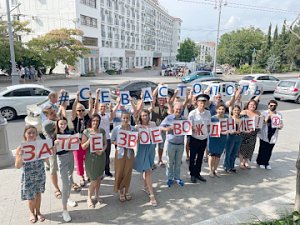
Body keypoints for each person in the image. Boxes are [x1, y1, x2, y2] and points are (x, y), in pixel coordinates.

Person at [15, 125, 47, 223]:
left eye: (33, 132)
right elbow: (17, 165)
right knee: (31, 197)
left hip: (39, 173)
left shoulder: (40, 145)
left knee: (38, 194)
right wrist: (20, 155)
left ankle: (38, 212)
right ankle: (31, 213)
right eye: (29, 133)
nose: (31, 135)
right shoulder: (20, 148)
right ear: (25, 134)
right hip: (28, 175)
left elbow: (46, 160)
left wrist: (49, 152)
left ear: (36, 134)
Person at [54, 117, 78, 222]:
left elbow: (74, 145)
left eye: (64, 123)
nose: (63, 125)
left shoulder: (69, 132)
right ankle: (64, 210)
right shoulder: (54, 136)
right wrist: (54, 145)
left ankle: (67, 198)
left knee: (69, 180)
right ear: (57, 125)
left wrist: (77, 140)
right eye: (61, 124)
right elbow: (51, 151)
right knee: (65, 183)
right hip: (62, 159)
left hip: (70, 156)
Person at [81, 114, 107, 208]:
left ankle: (97, 195)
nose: (95, 122)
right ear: (90, 121)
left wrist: (102, 150)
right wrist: (90, 139)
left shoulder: (102, 131)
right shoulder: (86, 132)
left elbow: (105, 144)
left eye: (97, 120)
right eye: (93, 120)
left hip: (100, 158)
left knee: (99, 178)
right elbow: (83, 146)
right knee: (93, 180)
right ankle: (89, 198)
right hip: (91, 159)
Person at [134, 109, 157, 206]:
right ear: (140, 117)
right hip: (142, 149)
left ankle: (145, 186)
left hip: (151, 149)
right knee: (148, 170)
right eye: (143, 115)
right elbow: (134, 140)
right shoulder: (137, 127)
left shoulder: (153, 124)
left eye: (146, 115)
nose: (145, 117)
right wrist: (137, 138)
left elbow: (157, 135)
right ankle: (152, 195)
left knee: (147, 169)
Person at [111, 111, 136, 202]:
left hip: (130, 152)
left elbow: (136, 140)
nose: (125, 120)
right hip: (120, 152)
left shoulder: (133, 129)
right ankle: (121, 191)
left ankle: (127, 190)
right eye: (124, 118)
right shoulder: (116, 129)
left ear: (129, 119)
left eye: (127, 118)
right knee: (120, 171)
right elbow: (112, 140)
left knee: (128, 172)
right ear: (121, 118)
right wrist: (116, 143)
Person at [160, 102, 186, 187]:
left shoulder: (184, 119)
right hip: (171, 144)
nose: (178, 111)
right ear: (174, 109)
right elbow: (160, 127)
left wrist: (191, 128)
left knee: (178, 162)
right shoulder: (169, 118)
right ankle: (170, 178)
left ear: (182, 110)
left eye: (180, 109)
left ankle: (177, 177)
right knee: (170, 162)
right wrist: (168, 128)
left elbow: (188, 128)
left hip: (181, 144)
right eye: (177, 109)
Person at [71, 91, 93, 187]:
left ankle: (88, 174)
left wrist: (90, 97)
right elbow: (72, 110)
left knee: (88, 159)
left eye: (82, 110)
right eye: (79, 111)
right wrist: (76, 98)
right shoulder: (75, 119)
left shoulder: (87, 118)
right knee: (79, 160)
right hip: (77, 143)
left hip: (87, 142)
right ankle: (81, 177)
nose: (81, 112)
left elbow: (91, 108)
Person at [188, 94, 211, 183]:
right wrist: (192, 128)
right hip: (194, 138)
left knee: (200, 157)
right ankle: (192, 174)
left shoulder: (208, 113)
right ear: (197, 103)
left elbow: (208, 125)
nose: (202, 104)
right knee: (192, 157)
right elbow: (188, 126)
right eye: (200, 102)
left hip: (203, 138)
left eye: (204, 102)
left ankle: (198, 173)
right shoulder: (192, 113)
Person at [257, 100, 283, 169]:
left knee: (269, 149)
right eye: (271, 105)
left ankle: (266, 162)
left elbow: (281, 123)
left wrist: (280, 126)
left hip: (273, 134)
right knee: (263, 148)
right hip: (264, 133)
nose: (273, 107)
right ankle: (260, 162)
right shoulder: (264, 113)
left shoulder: (279, 114)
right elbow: (259, 124)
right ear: (268, 105)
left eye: (274, 106)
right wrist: (266, 118)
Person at [148, 85, 170, 167]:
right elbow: (153, 96)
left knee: (161, 146)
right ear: (157, 100)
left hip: (163, 130)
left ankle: (160, 159)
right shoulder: (154, 107)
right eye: (160, 99)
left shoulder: (166, 108)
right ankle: (152, 161)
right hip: (154, 130)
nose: (161, 101)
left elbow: (171, 113)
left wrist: (169, 103)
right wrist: (158, 87)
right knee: (152, 147)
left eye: (163, 99)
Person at [94, 88, 114, 177]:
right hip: (98, 138)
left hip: (107, 138)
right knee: (99, 156)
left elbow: (112, 117)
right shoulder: (97, 115)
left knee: (107, 156)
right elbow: (95, 106)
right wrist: (97, 95)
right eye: (101, 107)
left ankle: (107, 171)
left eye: (104, 107)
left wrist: (111, 108)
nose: (102, 108)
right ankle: (100, 172)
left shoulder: (107, 115)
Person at [208, 104, 228, 177]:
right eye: (219, 109)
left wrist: (228, 131)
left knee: (218, 155)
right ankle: (210, 170)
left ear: (225, 110)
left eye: (223, 109)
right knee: (212, 155)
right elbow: (209, 128)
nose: (221, 111)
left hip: (222, 138)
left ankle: (215, 169)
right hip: (213, 138)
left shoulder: (227, 118)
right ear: (216, 110)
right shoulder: (212, 118)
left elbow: (230, 127)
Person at [239, 99, 260, 169]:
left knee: (250, 148)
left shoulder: (258, 113)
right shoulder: (244, 112)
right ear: (248, 105)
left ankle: (246, 161)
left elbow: (261, 122)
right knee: (242, 148)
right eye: (251, 104)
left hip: (253, 134)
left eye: (254, 105)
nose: (252, 106)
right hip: (245, 133)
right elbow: (240, 122)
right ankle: (241, 162)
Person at [223, 105, 242, 173]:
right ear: (232, 111)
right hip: (231, 137)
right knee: (228, 152)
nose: (236, 112)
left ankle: (232, 166)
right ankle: (226, 166)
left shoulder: (241, 119)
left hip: (239, 137)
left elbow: (244, 128)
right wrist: (231, 131)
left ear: (240, 111)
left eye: (238, 110)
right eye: (235, 110)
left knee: (234, 152)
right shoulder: (229, 119)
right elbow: (226, 129)